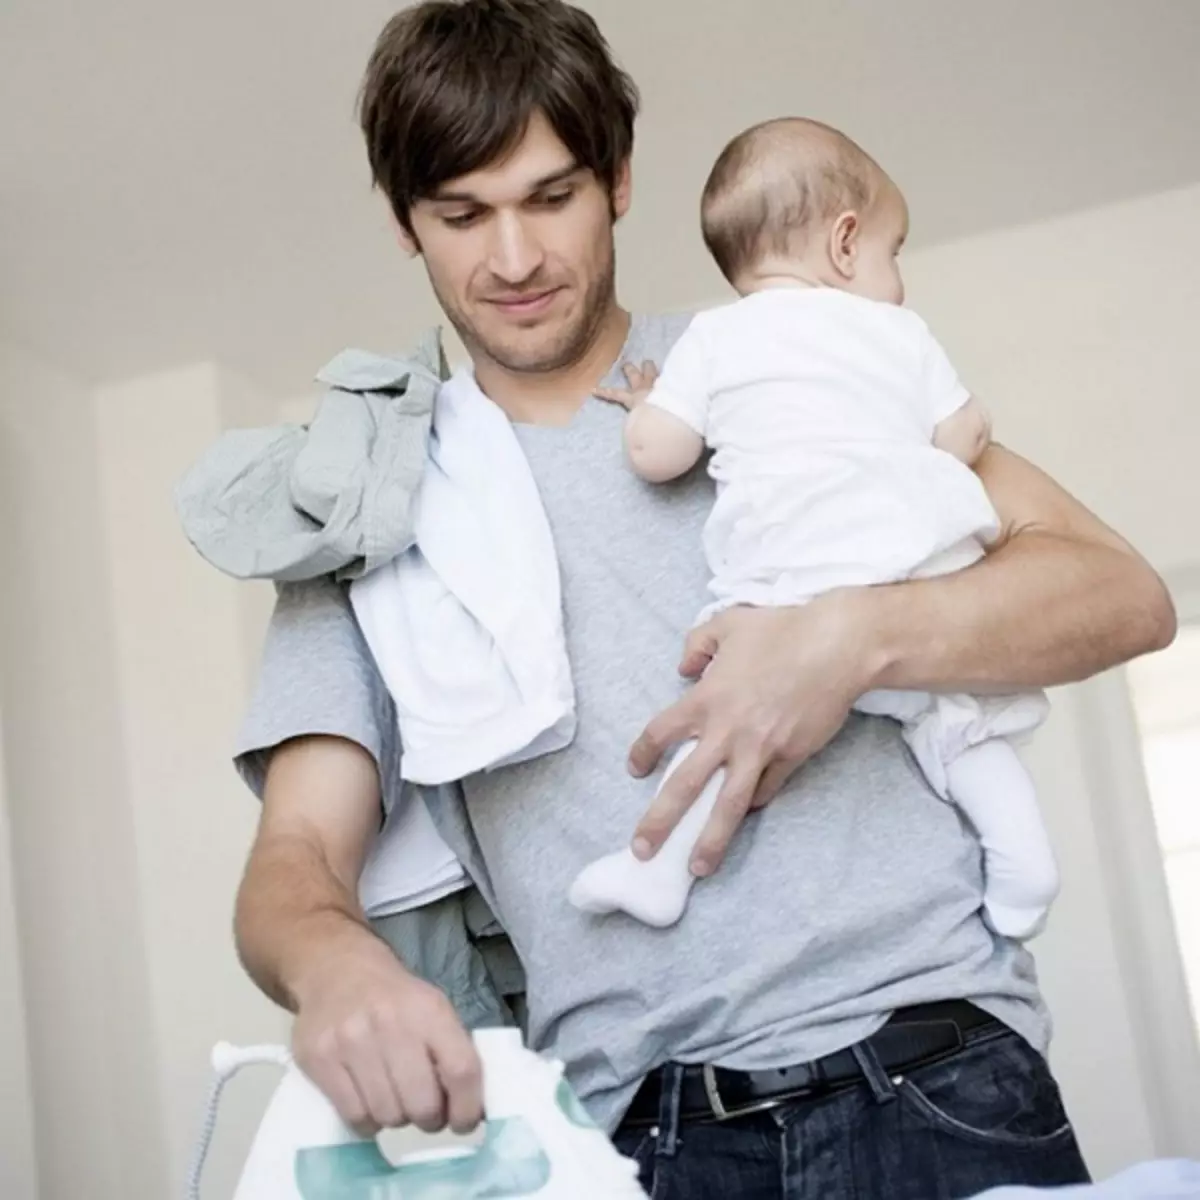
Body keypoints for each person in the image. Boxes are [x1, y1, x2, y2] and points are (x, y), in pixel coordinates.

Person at [225, 2, 1176, 1197]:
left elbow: (1124, 594)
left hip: (936, 1073)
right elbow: (298, 854)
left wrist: (849, 639)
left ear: (620, 179)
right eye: (462, 215)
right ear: (403, 222)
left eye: (551, 196)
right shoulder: (367, 502)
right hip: (645, 1139)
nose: (512, 259)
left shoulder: (789, 350)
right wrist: (334, 967)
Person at [570, 117, 1058, 939]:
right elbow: (955, 439)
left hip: (782, 598)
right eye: (891, 251)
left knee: (726, 714)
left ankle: (657, 872)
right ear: (843, 243)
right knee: (961, 729)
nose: (894, 276)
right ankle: (1026, 874)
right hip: (910, 587)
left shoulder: (714, 338)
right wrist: (971, 423)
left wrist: (652, 403)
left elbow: (657, 454)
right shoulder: (900, 332)